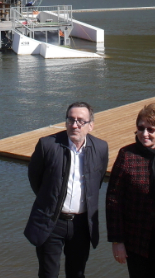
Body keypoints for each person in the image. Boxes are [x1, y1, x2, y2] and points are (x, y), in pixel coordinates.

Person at [24, 101, 109, 278]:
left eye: (80, 121)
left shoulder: (100, 148)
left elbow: (97, 181)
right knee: (48, 274)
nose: (74, 125)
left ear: (90, 126)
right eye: (70, 119)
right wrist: (50, 199)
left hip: (81, 225)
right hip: (52, 221)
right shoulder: (47, 145)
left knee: (77, 273)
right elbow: (35, 178)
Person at [106, 103, 155, 278]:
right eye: (141, 128)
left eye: (151, 129)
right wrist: (117, 241)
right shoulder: (126, 154)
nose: (145, 133)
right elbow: (113, 200)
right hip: (136, 239)